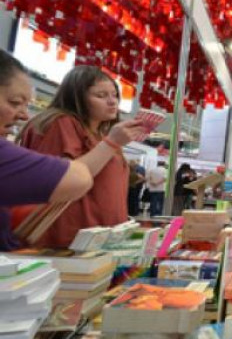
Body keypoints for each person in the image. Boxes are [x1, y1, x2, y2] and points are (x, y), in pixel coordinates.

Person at [18, 65, 143, 248]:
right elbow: (63, 179)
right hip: (70, 241)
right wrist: (111, 144)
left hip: (100, 239)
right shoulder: (60, 123)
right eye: (100, 96)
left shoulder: (100, 133)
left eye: (114, 95)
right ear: (76, 97)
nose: (112, 102)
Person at [0, 50, 94, 251]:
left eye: (114, 95)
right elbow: (77, 179)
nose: (24, 115)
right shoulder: (59, 124)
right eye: (14, 102)